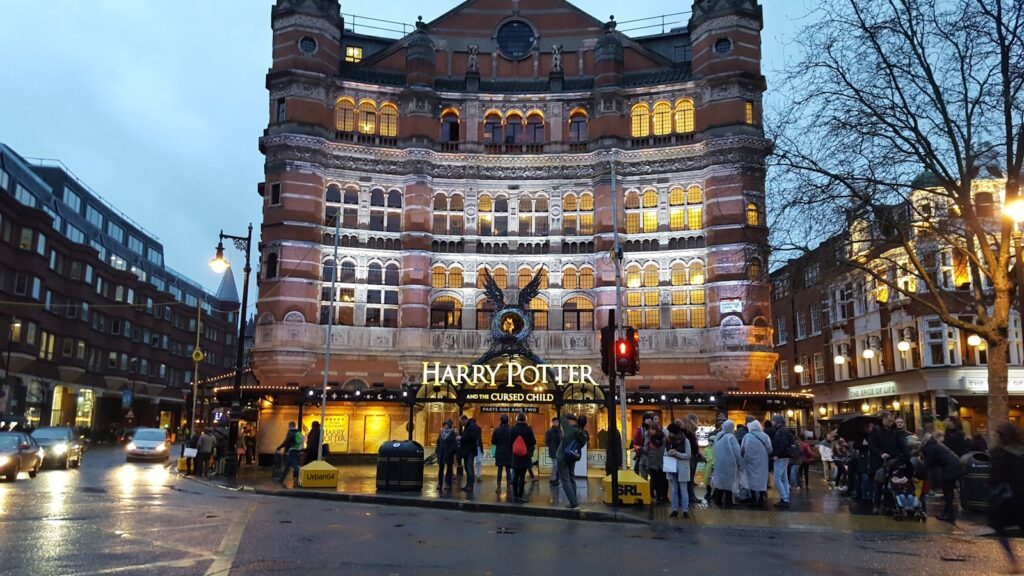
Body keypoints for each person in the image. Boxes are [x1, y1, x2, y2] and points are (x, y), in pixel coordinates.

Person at [989, 423, 1024, 573]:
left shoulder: (1000, 454)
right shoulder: (1021, 451)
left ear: (1002, 437)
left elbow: (996, 477)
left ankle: (1013, 562)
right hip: (1020, 497)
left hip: (1007, 499)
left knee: (999, 527)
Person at [919, 432, 965, 523]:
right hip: (955, 466)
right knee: (949, 492)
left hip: (950, 469)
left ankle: (950, 516)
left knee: (947, 492)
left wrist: (919, 474)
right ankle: (947, 513)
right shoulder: (935, 445)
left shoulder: (930, 448)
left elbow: (927, 465)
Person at [869, 411, 908, 513]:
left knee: (890, 484)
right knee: (878, 484)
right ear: (884, 419)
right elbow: (872, 445)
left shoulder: (895, 431)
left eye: (892, 420)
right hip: (879, 462)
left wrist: (906, 456)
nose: (891, 422)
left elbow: (901, 445)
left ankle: (888, 505)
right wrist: (881, 454)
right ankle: (876, 504)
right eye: (889, 420)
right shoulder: (876, 430)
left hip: (892, 461)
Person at [556, 413, 589, 510]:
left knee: (565, 480)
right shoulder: (584, 435)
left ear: (577, 421)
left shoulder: (569, 428)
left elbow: (562, 416)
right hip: (573, 456)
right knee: (572, 478)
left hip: (562, 456)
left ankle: (574, 503)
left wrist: (573, 417)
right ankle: (573, 500)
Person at [741, 420, 772, 508]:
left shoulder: (747, 436)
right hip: (762, 462)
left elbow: (742, 449)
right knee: (762, 480)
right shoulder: (765, 436)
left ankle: (753, 498)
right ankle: (761, 498)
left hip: (749, 462)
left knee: (751, 480)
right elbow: (770, 449)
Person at [711, 420, 742, 508]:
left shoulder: (718, 436)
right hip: (730, 464)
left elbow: (714, 449)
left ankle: (718, 499)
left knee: (720, 481)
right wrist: (740, 463)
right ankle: (728, 502)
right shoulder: (731, 437)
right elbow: (737, 452)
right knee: (729, 483)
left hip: (719, 463)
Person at [665, 421, 692, 518]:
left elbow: (688, 455)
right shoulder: (668, 441)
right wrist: (669, 453)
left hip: (682, 469)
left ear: (674, 432)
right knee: (673, 490)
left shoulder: (685, 441)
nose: (669, 434)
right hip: (671, 468)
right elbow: (664, 453)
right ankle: (674, 510)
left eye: (670, 432)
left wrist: (677, 454)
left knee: (683, 490)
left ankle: (685, 510)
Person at [509, 413, 536, 503]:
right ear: (525, 419)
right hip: (525, 455)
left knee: (515, 476)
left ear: (517, 419)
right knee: (522, 476)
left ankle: (515, 494)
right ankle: (520, 496)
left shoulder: (513, 429)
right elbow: (533, 441)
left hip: (515, 455)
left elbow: (509, 441)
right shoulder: (528, 429)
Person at [770, 414, 795, 509]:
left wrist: (777, 455)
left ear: (777, 421)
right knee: (784, 478)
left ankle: (784, 498)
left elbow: (782, 444)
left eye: (773, 420)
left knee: (776, 478)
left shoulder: (781, 431)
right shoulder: (783, 430)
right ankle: (786, 497)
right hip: (784, 456)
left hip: (781, 457)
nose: (772, 422)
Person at [645, 414, 668, 505]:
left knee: (663, 480)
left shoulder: (663, 436)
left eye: (653, 429)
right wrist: (642, 450)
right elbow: (645, 447)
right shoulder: (648, 437)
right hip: (652, 462)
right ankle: (658, 497)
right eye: (650, 429)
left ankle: (663, 496)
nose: (651, 431)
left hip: (662, 461)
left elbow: (667, 446)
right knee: (655, 480)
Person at [457, 415, 481, 492]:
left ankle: (470, 485)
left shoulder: (472, 426)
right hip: (467, 451)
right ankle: (468, 485)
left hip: (470, 451)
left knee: (469, 468)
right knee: (467, 468)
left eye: (461, 422)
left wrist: (461, 438)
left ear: (464, 420)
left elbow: (472, 437)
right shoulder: (468, 426)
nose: (460, 424)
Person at [275, 421, 303, 488]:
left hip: (291, 450)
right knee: (287, 466)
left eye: (289, 426)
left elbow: (286, 442)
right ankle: (281, 479)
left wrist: (279, 447)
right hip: (297, 450)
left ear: (290, 425)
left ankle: (299, 479)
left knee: (295, 466)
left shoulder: (290, 432)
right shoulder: (298, 432)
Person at [492, 414, 513, 495]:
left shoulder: (497, 430)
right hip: (509, 452)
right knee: (508, 470)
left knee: (499, 470)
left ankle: (498, 487)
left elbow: (493, 442)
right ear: (508, 420)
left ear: (500, 420)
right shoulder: (511, 430)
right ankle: (508, 488)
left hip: (499, 452)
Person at [435, 418, 458, 490]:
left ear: (450, 425)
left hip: (449, 454)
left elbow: (455, 444)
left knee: (449, 469)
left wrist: (451, 451)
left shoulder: (453, 433)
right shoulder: (441, 433)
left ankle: (448, 484)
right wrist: (437, 451)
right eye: (445, 424)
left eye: (447, 425)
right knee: (440, 469)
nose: (446, 426)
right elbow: (438, 443)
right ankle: (440, 484)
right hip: (441, 453)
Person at [632, 413, 652, 478]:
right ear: (644, 420)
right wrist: (639, 450)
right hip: (642, 455)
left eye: (650, 418)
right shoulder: (639, 430)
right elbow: (635, 444)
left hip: (652, 455)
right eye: (647, 418)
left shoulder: (653, 429)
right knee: (643, 475)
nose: (649, 420)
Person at [545, 417, 562, 485]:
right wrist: (551, 446)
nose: (557, 423)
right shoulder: (549, 431)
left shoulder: (559, 431)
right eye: (556, 422)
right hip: (553, 450)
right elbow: (547, 441)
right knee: (555, 465)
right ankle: (553, 478)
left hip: (559, 450)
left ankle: (554, 478)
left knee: (557, 465)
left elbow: (561, 439)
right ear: (553, 422)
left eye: (558, 422)